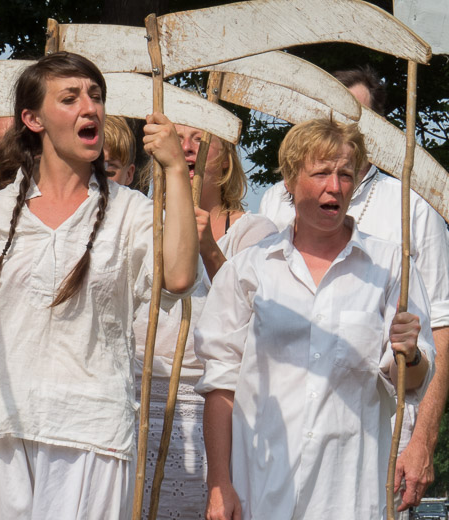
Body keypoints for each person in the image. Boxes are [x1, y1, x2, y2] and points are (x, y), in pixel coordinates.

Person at [0, 52, 200, 520]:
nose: (90, 108)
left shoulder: (131, 212)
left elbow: (180, 277)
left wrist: (174, 172)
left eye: (96, 96)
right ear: (33, 119)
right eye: (70, 98)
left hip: (91, 434)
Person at [198, 117, 435, 520]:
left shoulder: (392, 266)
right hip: (263, 484)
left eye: (345, 174)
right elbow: (221, 386)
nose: (335, 186)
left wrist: (410, 354)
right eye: (321, 173)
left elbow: (410, 382)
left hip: (347, 492)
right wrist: (220, 483)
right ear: (289, 181)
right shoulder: (249, 270)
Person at [258, 67, 449, 512]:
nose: (341, 126)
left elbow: (441, 328)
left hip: (379, 440)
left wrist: (423, 439)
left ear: (377, 128)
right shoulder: (275, 201)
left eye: (355, 116)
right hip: (281, 440)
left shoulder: (412, 207)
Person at [133, 126, 277, 519]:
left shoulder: (257, 232)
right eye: (177, 137)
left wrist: (209, 249)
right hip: (140, 397)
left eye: (200, 138)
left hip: (212, 403)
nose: (187, 147)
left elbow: (260, 315)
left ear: (227, 160)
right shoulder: (139, 219)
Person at [103, 114, 136, 186]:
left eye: (110, 165)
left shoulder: (137, 197)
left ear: (128, 175)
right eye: (91, 164)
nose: (98, 175)